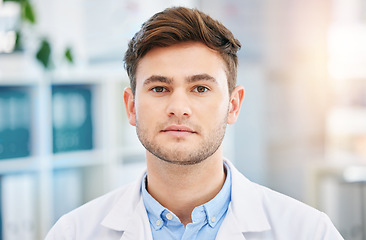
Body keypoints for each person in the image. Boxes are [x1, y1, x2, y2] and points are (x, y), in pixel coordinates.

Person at [45, 6, 344, 240]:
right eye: (159, 88)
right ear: (131, 106)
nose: (178, 108)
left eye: (200, 88)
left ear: (233, 105)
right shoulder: (73, 233)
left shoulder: (308, 232)